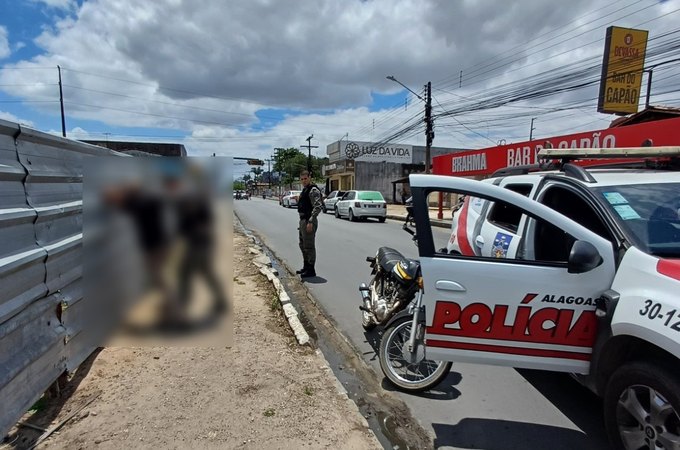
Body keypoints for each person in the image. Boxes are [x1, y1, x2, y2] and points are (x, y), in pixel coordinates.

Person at [296, 170, 322, 278]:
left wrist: (311, 221)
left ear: (309, 178)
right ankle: (306, 266)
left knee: (309, 246)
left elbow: (318, 206)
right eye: (302, 179)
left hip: (309, 221)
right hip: (303, 220)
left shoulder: (313, 190)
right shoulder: (305, 190)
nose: (303, 181)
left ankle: (311, 269)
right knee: (303, 245)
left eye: (305, 178)